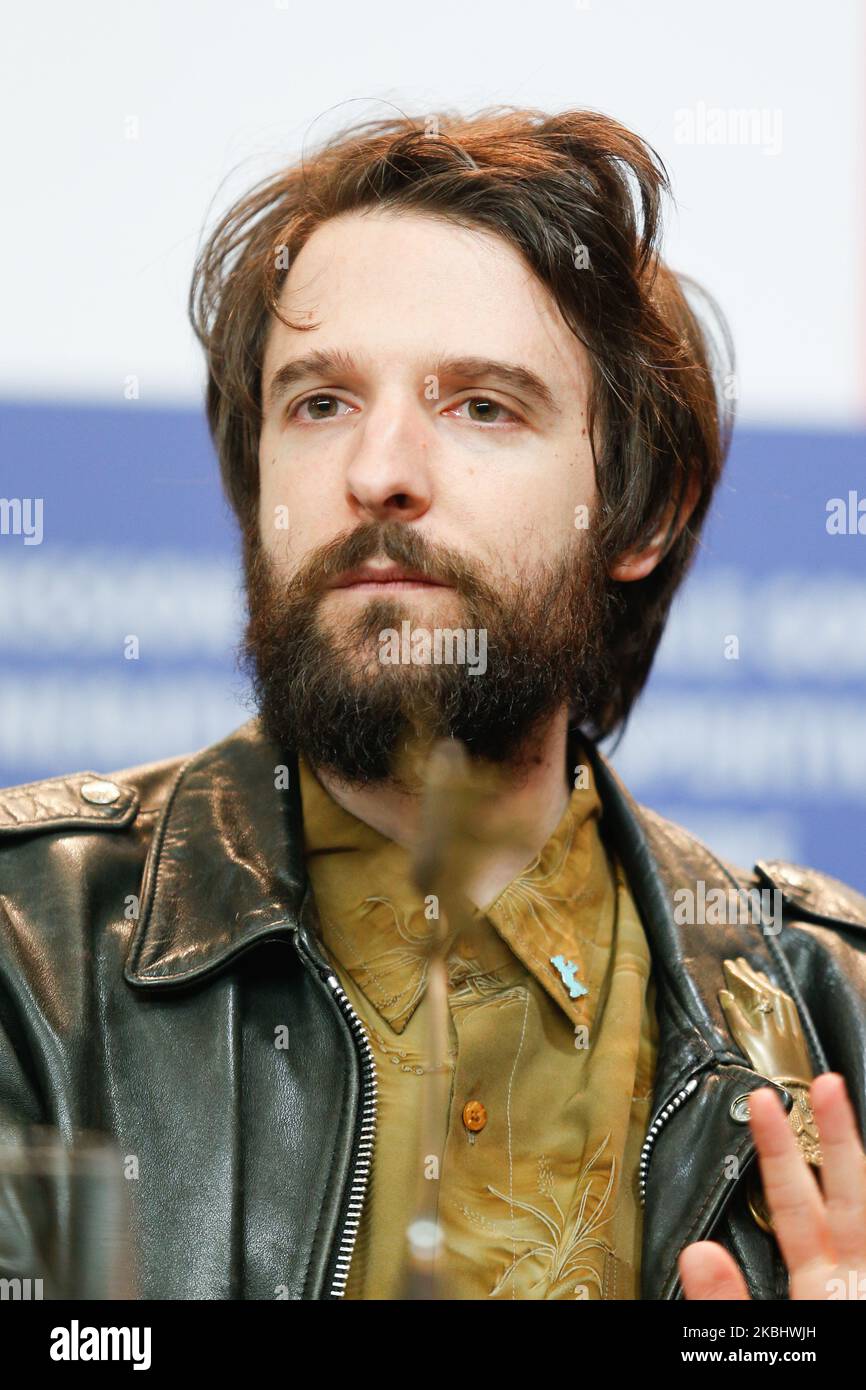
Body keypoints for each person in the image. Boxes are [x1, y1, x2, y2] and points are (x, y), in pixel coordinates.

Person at [1, 108, 865, 1302]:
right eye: (319, 403)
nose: (378, 470)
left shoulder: (841, 1015)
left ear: (638, 512)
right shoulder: (26, 953)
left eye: (481, 407)